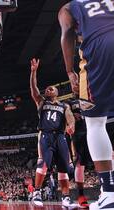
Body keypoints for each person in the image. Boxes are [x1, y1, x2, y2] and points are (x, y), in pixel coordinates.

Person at [59, 1, 114, 209]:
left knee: (96, 124)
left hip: (100, 49)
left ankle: (109, 193)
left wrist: (69, 71)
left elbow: (66, 35)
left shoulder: (69, 7)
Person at [29, 58, 78, 209]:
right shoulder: (42, 102)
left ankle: (66, 199)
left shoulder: (64, 106)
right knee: (43, 164)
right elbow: (34, 89)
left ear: (57, 92)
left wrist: (71, 125)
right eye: (47, 88)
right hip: (46, 135)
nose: (49, 89)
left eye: (52, 88)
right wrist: (33, 72)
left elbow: (70, 119)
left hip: (60, 136)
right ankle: (37, 192)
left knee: (63, 169)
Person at [66, 94, 91, 208]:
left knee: (104, 157)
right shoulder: (68, 103)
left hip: (93, 128)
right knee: (80, 164)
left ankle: (106, 190)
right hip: (79, 134)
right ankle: (81, 195)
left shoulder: (90, 94)